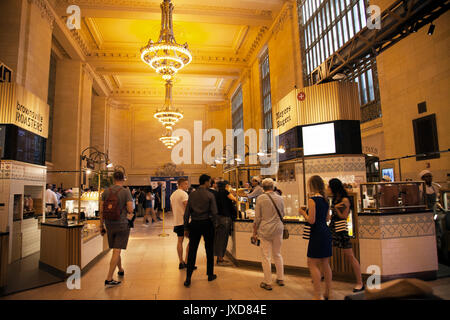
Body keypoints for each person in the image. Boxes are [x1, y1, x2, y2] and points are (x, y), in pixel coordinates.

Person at [298, 175, 332, 300]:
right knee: (325, 263)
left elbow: (311, 220)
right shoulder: (325, 200)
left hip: (316, 233)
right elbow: (328, 218)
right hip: (326, 232)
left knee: (312, 263)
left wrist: (303, 213)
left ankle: (318, 294)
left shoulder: (312, 200)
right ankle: (329, 292)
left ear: (312, 186)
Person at [328, 178, 364, 292]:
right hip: (333, 227)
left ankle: (360, 282)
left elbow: (344, 216)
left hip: (341, 228)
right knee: (325, 253)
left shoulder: (345, 199)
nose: (328, 188)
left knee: (349, 255)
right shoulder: (336, 198)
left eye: (329, 186)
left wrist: (335, 209)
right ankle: (324, 274)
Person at [99, 171, 134, 287]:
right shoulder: (125, 191)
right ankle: (109, 278)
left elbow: (101, 210)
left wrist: (101, 225)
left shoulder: (106, 191)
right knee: (117, 250)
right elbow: (130, 209)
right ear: (123, 178)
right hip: (121, 223)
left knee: (115, 248)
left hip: (109, 224)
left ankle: (120, 269)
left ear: (113, 178)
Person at [183, 174, 218, 287]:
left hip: (195, 224)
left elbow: (186, 213)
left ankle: (188, 277)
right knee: (209, 250)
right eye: (209, 182)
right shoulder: (210, 195)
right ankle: (210, 274)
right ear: (207, 182)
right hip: (207, 224)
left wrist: (186, 227)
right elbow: (214, 212)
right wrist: (215, 225)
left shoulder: (192, 195)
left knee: (192, 250)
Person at [252, 178, 285, 291]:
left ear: (263, 187)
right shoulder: (280, 198)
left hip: (265, 230)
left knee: (266, 256)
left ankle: (268, 282)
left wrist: (254, 232)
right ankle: (280, 278)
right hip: (278, 229)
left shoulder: (260, 198)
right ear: (273, 187)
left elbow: (257, 218)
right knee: (278, 254)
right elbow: (283, 214)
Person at [214, 181, 237, 266]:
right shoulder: (226, 192)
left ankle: (218, 257)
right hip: (225, 218)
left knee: (219, 238)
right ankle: (220, 259)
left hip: (218, 217)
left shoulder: (216, 193)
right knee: (223, 239)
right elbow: (234, 199)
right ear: (226, 186)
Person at [170, 178, 191, 269]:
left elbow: (172, 208)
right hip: (185, 222)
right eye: (186, 184)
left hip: (177, 221)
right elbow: (187, 207)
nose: (187, 186)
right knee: (191, 240)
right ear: (181, 184)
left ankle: (180, 261)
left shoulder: (173, 195)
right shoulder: (184, 194)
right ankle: (187, 261)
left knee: (179, 241)